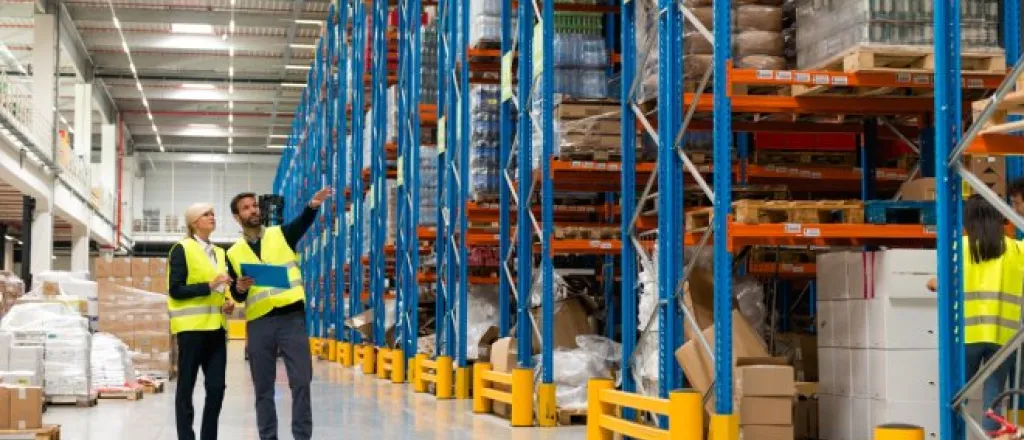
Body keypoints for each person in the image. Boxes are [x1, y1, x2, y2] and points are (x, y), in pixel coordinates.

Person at [226, 188, 332, 440]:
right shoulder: (232, 253)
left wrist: (313, 205)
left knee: (301, 381)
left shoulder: (280, 234)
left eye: (254, 206)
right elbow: (237, 294)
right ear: (236, 216)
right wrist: (238, 288)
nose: (253, 210)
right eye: (246, 208)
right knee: (263, 388)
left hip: (291, 319)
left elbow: (302, 222)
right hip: (259, 323)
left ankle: (302, 436)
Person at [928, 195, 1023, 437]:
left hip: (966, 335)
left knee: (957, 399)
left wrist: (932, 283)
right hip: (1004, 338)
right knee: (994, 403)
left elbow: (939, 284)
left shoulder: (957, 247)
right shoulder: (1017, 249)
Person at [168, 203, 234, 440]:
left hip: (216, 329)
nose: (212, 218)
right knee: (186, 387)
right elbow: (175, 290)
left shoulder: (219, 252)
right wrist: (209, 286)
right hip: (192, 330)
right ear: (194, 221)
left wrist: (228, 301)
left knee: (216, 388)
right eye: (206, 214)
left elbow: (222, 288)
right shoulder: (181, 249)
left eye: (213, 214)